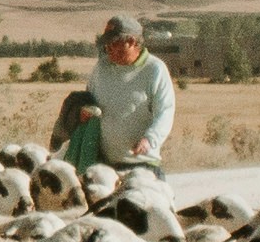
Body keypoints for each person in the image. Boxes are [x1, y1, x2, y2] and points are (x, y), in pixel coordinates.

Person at [54, 15, 175, 171]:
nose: (108, 49)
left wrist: (149, 139)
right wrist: (83, 112)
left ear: (131, 41)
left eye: (114, 43)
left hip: (142, 164)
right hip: (102, 165)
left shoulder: (155, 70)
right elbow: (88, 100)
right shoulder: (101, 68)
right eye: (106, 44)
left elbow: (165, 112)